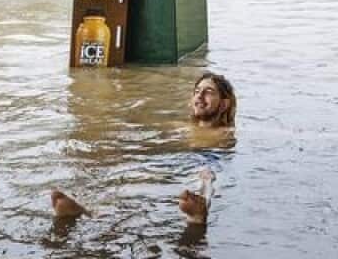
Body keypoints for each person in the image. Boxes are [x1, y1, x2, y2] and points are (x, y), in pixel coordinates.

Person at [51, 73, 236, 225]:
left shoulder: (226, 132)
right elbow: (149, 139)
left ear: (224, 103)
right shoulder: (178, 126)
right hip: (172, 160)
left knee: (207, 176)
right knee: (132, 178)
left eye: (208, 92)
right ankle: (89, 212)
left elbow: (226, 153)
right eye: (197, 91)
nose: (200, 96)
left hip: (207, 158)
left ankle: (199, 212)